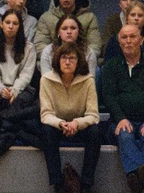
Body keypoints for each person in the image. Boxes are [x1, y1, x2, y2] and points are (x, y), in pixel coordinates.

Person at [102, 24, 144, 193]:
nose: (128, 41)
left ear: (141, 40)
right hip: (121, 120)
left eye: (132, 37)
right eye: (124, 37)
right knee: (125, 135)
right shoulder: (111, 66)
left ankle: (135, 176)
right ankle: (143, 175)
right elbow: (109, 96)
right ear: (119, 42)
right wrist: (120, 118)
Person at [39, 43, 100, 193]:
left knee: (95, 132)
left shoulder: (88, 80)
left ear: (78, 61)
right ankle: (58, 185)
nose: (67, 62)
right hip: (58, 126)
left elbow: (93, 115)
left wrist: (77, 123)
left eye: (72, 58)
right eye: (64, 58)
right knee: (46, 131)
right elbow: (46, 114)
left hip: (80, 127)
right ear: (57, 60)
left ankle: (86, 185)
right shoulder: (46, 80)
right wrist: (61, 123)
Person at [35, 0, 101, 58]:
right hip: (54, 61)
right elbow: (39, 46)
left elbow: (95, 46)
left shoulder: (90, 18)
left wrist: (76, 59)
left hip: (82, 61)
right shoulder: (46, 18)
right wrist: (60, 58)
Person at [0, 9, 36, 105]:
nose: (11, 26)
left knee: (19, 103)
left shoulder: (29, 48)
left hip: (22, 90)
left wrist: (14, 91)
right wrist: (2, 90)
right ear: (1, 24)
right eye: (7, 22)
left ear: (20, 26)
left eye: (15, 23)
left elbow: (26, 75)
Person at [37, 13, 98, 77]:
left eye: (73, 28)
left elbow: (90, 80)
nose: (69, 32)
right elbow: (46, 79)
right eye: (64, 28)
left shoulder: (89, 53)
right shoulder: (48, 51)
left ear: (78, 31)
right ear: (58, 32)